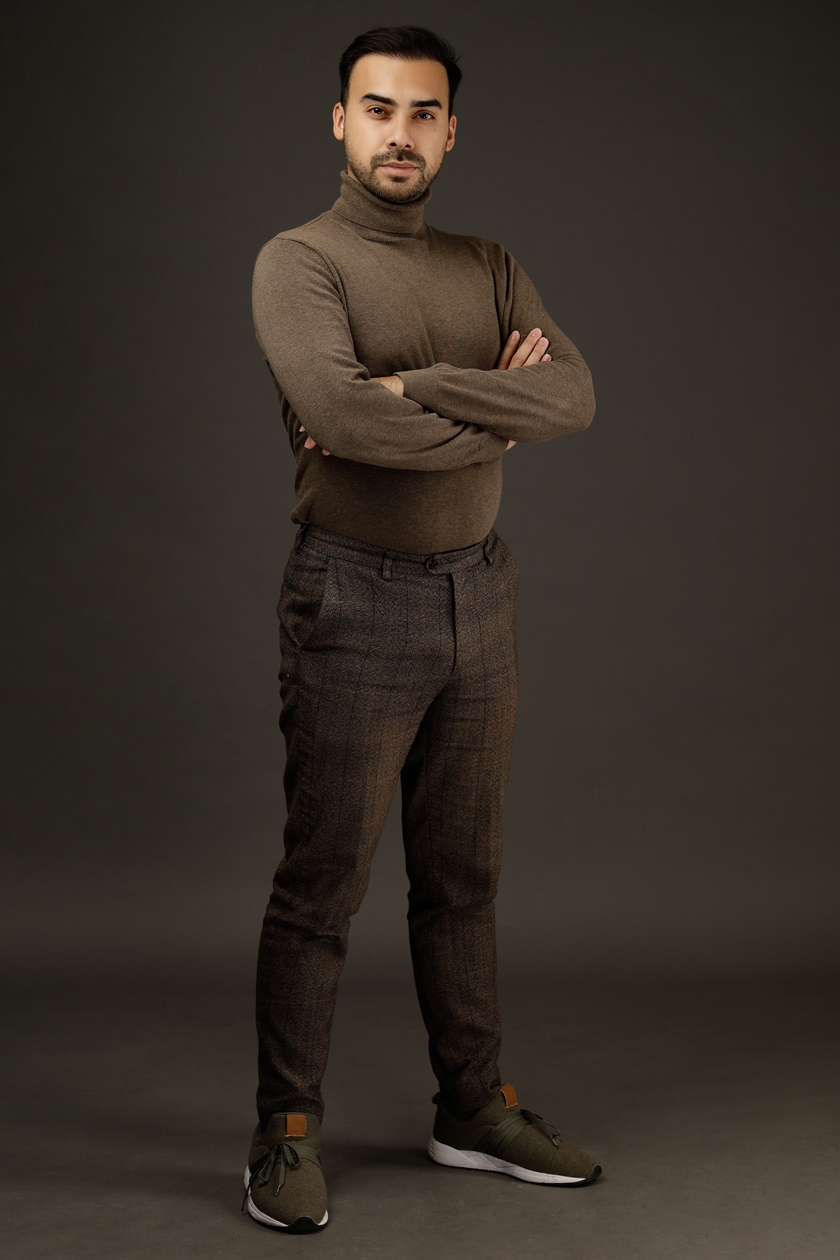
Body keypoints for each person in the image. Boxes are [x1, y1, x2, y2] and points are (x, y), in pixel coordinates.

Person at [243, 26, 600, 1232]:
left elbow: (575, 395)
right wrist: (495, 402)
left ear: (452, 132)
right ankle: (285, 1131)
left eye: (424, 113)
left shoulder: (489, 264)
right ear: (340, 121)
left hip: (479, 595)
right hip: (354, 596)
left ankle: (472, 1107)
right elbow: (342, 422)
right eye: (379, 108)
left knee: (464, 878)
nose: (401, 133)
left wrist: (416, 386)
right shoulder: (300, 262)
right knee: (323, 884)